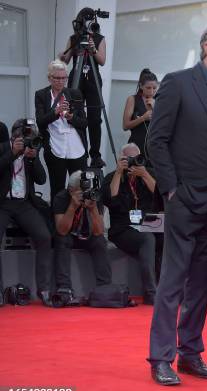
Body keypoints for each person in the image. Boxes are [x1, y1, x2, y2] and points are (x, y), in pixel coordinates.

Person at [146, 22, 207, 386]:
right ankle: (160, 357)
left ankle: (190, 353)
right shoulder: (177, 82)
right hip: (185, 199)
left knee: (202, 284)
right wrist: (172, 190)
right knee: (173, 281)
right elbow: (157, 140)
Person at [0, 119, 53, 306]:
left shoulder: (32, 149)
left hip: (23, 203)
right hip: (3, 203)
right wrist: (13, 153)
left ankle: (44, 289)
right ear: (14, 135)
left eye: (30, 135)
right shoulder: (3, 147)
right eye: (24, 135)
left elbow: (41, 179)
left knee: (44, 237)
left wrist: (33, 158)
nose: (27, 139)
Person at [102, 143, 159, 305]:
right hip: (123, 226)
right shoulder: (112, 177)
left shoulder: (149, 173)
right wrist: (119, 172)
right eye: (129, 159)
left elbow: (162, 196)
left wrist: (145, 175)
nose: (133, 162)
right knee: (148, 239)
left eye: (136, 158)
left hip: (148, 220)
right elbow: (110, 198)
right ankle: (151, 292)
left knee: (169, 236)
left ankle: (168, 288)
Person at [53, 170, 112, 305]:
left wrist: (93, 209)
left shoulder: (94, 196)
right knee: (61, 240)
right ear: (71, 190)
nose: (86, 193)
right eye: (82, 190)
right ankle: (64, 289)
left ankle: (104, 287)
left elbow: (98, 231)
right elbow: (62, 230)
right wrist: (72, 207)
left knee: (100, 241)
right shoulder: (62, 197)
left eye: (88, 189)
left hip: (88, 234)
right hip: (69, 235)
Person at [59, 7, 107, 168]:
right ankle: (80, 151)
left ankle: (95, 155)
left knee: (94, 118)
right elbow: (65, 60)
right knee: (77, 117)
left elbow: (102, 61)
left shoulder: (100, 38)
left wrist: (92, 48)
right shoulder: (74, 38)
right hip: (76, 80)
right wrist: (63, 56)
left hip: (93, 80)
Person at [35, 59, 88, 202]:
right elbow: (40, 122)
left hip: (76, 147)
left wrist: (71, 117)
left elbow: (84, 123)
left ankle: (80, 222)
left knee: (81, 188)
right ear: (49, 78)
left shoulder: (75, 94)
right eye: (57, 78)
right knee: (57, 189)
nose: (61, 81)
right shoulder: (41, 95)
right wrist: (56, 112)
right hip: (55, 146)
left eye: (64, 78)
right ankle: (56, 222)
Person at [122, 69, 159, 154]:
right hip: (136, 147)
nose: (152, 91)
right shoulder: (133, 99)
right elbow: (125, 126)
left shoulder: (159, 101)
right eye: (148, 88)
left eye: (154, 88)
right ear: (141, 86)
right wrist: (143, 118)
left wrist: (155, 108)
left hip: (154, 148)